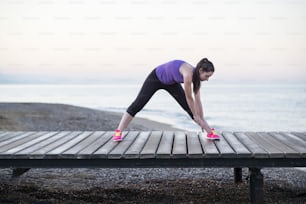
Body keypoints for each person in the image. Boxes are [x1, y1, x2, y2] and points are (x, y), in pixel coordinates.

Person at [113, 58, 220, 141]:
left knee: (189, 109)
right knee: (138, 104)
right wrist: (196, 116)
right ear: (201, 70)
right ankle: (118, 131)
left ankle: (209, 132)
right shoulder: (188, 74)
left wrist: (200, 118)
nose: (207, 79)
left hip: (171, 83)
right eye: (207, 76)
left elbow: (198, 101)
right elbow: (189, 98)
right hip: (156, 77)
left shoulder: (197, 79)